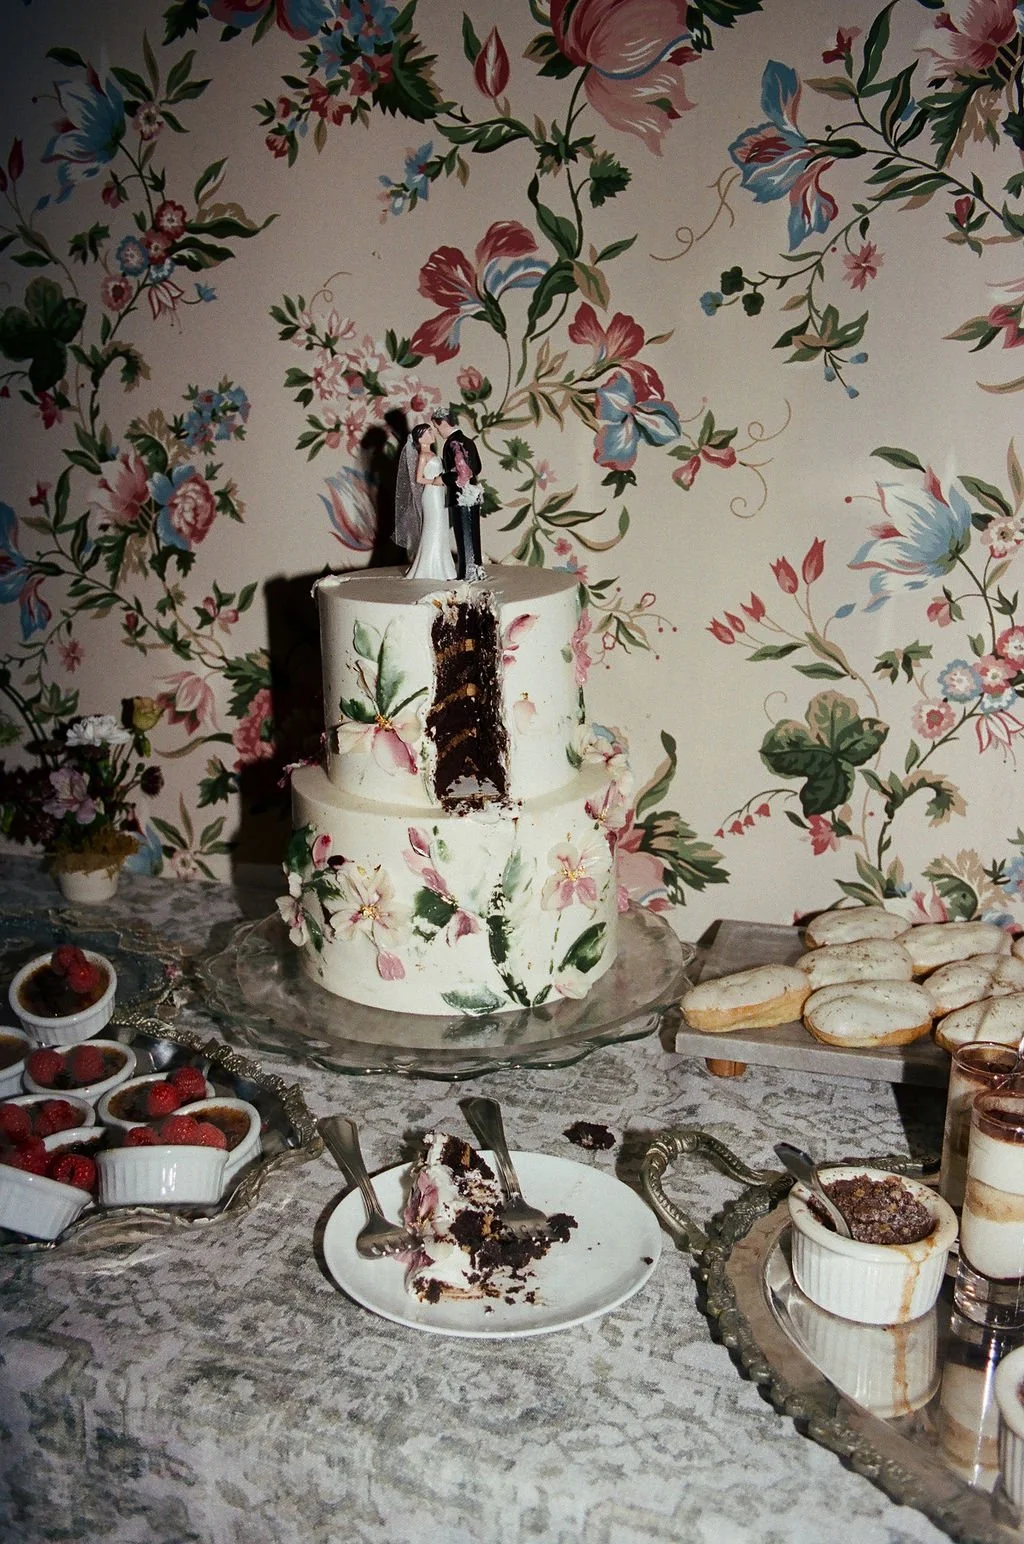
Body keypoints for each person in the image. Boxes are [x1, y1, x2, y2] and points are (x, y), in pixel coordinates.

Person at [394, 423, 457, 581]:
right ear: (420, 439)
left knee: (441, 526)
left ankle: (443, 566)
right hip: (431, 494)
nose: (432, 433)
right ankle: (428, 567)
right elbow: (418, 478)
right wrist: (435, 480)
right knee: (433, 527)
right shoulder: (423, 456)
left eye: (431, 431)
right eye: (428, 432)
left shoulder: (432, 453)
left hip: (439, 493)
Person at [431, 408, 485, 581]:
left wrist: (442, 478)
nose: (437, 431)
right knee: (473, 533)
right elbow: (477, 468)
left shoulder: (453, 443)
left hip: (461, 494)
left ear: (444, 423)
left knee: (464, 535)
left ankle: (468, 574)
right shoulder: (468, 441)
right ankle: (477, 570)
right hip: (472, 493)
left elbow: (461, 472)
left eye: (436, 426)